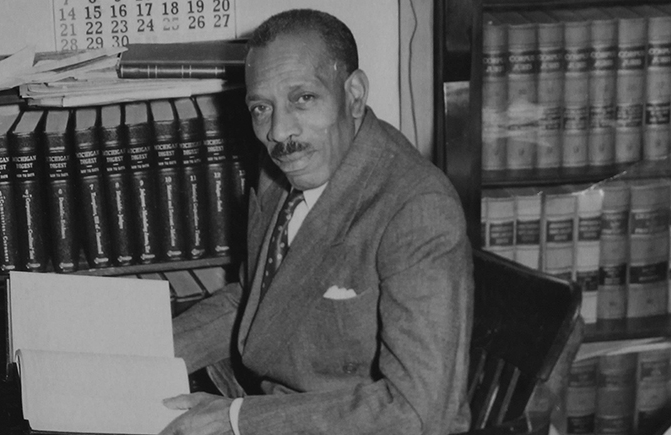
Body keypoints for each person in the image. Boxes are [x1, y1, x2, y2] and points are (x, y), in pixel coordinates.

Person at [161, 9, 473, 435]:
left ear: (355, 94)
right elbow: (257, 300)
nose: (279, 131)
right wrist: (143, 354)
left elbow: (417, 412)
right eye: (261, 108)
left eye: (302, 98)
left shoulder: (417, 210)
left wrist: (236, 420)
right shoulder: (282, 171)